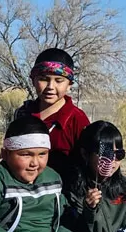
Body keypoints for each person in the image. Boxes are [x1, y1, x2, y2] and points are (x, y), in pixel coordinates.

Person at [15, 48, 90, 181]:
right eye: (44, 79)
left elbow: (87, 165)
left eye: (59, 80)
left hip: (62, 195)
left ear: (69, 85)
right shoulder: (23, 114)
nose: (50, 86)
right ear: (33, 80)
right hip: (22, 192)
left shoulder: (77, 120)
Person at [64, 121, 126, 232]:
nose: (112, 161)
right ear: (85, 154)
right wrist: (89, 211)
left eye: (119, 154)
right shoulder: (72, 191)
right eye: (106, 155)